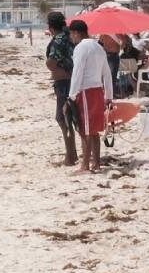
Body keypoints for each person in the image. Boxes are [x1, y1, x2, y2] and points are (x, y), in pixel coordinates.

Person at [67, 20, 113, 174]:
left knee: (85, 130)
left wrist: (71, 95)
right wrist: (109, 95)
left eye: (71, 34)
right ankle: (97, 163)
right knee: (93, 130)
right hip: (98, 90)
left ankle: (85, 165)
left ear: (76, 33)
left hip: (86, 91)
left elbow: (77, 72)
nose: (71, 37)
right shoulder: (99, 47)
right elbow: (107, 73)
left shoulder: (81, 47)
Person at [45, 12, 77, 167]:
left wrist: (54, 68)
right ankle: (72, 154)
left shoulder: (58, 40)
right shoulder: (70, 36)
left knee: (63, 117)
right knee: (70, 117)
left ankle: (70, 156)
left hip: (64, 82)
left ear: (51, 27)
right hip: (73, 80)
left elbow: (52, 62)